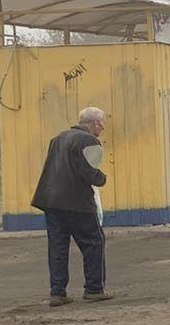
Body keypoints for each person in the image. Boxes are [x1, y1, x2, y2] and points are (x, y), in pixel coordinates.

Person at [30, 106, 112, 305]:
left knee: (58, 248)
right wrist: (102, 179)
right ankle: (94, 289)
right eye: (101, 123)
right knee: (94, 242)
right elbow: (90, 172)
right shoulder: (89, 141)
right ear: (94, 123)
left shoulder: (58, 138)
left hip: (51, 201)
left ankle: (57, 293)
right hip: (78, 203)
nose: (102, 127)